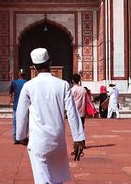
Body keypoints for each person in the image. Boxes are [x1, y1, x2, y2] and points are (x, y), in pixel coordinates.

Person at [16, 48, 85, 184]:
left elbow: (21, 113)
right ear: (50, 62)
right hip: (58, 140)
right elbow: (72, 112)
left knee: (42, 178)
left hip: (38, 139)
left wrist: (21, 136)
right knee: (56, 178)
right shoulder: (63, 85)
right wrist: (78, 138)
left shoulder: (29, 86)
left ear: (34, 67)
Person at [9, 69, 29, 143]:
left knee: (15, 121)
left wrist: (11, 99)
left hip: (16, 104)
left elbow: (10, 92)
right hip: (25, 105)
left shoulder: (14, 82)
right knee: (25, 121)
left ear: (19, 74)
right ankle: (23, 138)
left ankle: (15, 138)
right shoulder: (27, 83)